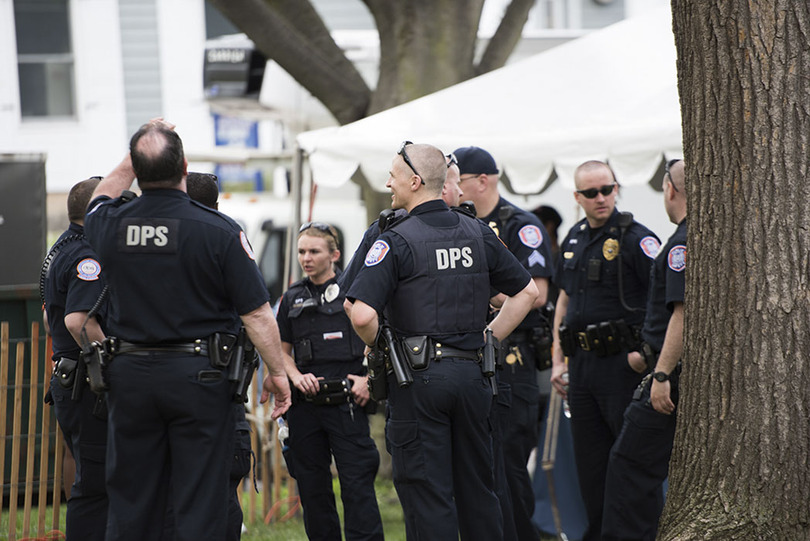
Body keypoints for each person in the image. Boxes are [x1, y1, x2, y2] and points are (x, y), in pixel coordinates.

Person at [84, 119, 291, 541]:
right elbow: (256, 314)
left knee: (132, 498)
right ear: (184, 166)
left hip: (130, 378)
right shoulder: (218, 229)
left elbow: (100, 194)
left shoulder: (108, 225)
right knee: (200, 498)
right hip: (199, 379)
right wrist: (279, 373)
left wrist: (134, 153)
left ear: (138, 172)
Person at [348, 141, 539, 540]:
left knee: (427, 494)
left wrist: (377, 344)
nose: (388, 183)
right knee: (479, 492)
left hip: (419, 383)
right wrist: (490, 337)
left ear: (415, 182)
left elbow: (363, 313)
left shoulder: (395, 238)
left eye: (394, 177)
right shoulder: (477, 231)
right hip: (475, 379)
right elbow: (528, 293)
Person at [549, 160, 660, 541]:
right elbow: (562, 301)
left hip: (622, 368)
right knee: (591, 467)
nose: (602, 198)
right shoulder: (575, 237)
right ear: (577, 197)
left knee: (627, 464)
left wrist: (644, 356)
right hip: (582, 370)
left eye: (608, 189)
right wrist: (557, 361)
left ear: (617, 189)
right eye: (592, 192)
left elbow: (664, 303)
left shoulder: (636, 239)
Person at [453, 145, 555, 541]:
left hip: (513, 360)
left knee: (510, 466)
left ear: (482, 181)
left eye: (458, 182)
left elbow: (538, 293)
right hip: (475, 364)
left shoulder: (518, 225)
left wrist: (480, 291)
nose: (454, 190)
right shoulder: (459, 225)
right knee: (483, 467)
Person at [276, 221, 384, 541]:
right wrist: (295, 375)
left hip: (348, 405)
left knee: (357, 488)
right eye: (301, 251)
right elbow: (280, 351)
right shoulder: (292, 297)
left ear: (334, 254)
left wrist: (369, 379)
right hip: (306, 408)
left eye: (314, 251)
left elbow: (380, 340)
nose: (306, 258)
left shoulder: (357, 293)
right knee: (312, 490)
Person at [602, 158, 687, 541]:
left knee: (628, 468)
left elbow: (682, 315)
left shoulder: (681, 244)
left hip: (667, 378)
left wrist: (662, 373)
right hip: (659, 369)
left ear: (671, 189)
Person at [186, 171, 253, 541]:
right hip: (222, 377)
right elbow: (253, 308)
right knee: (225, 482)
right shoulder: (229, 233)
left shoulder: (175, 231)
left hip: (174, 376)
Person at [41, 176, 108, 541]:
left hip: (68, 378)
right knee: (96, 486)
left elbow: (49, 316)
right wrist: (113, 360)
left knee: (84, 471)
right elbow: (77, 319)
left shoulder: (59, 249)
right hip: (88, 383)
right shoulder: (88, 255)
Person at [338, 151, 464, 294]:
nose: (461, 192)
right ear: (443, 187)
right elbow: (348, 292)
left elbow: (351, 300)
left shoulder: (472, 229)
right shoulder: (385, 229)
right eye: (457, 184)